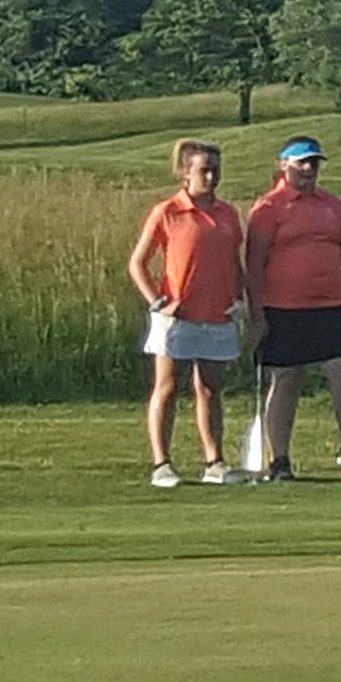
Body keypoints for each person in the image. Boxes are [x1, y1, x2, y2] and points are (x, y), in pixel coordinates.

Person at [240, 134, 341, 481]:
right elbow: (255, 264)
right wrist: (257, 314)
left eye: (314, 163)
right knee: (288, 378)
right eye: (302, 163)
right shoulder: (268, 209)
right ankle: (279, 458)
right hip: (283, 306)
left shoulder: (331, 205)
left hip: (333, 303)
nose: (309, 169)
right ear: (284, 165)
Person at [125, 137, 248, 489]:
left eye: (216, 171)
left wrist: (240, 299)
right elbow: (138, 264)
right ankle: (161, 463)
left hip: (218, 313)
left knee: (209, 388)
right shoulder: (168, 211)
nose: (211, 178)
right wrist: (158, 301)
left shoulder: (226, 213)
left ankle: (215, 461)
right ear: (185, 173)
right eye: (204, 171)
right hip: (177, 316)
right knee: (167, 385)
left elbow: (233, 263)